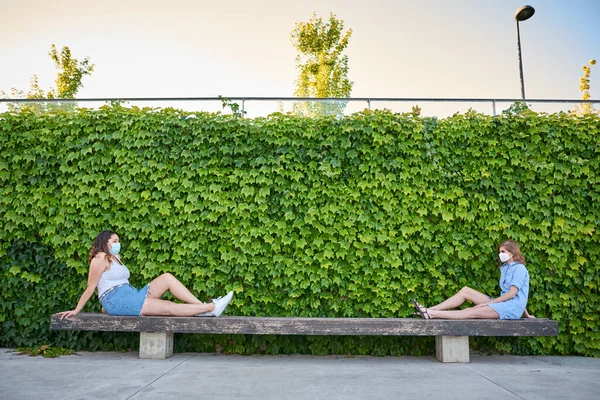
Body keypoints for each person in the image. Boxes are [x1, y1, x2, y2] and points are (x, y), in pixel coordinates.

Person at [58, 230, 233, 320]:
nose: (118, 243)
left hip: (129, 295)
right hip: (118, 299)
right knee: (167, 306)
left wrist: (106, 306)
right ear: (105, 243)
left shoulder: (115, 257)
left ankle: (201, 307)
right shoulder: (100, 258)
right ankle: (211, 308)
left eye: (119, 240)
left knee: (167, 277)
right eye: (115, 241)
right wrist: (76, 310)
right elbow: (91, 287)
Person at [413, 240, 535, 320]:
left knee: (471, 311)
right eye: (499, 252)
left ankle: (432, 314)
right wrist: (527, 314)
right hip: (503, 304)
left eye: (503, 252)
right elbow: (520, 294)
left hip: (511, 308)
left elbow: (513, 294)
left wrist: (490, 303)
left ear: (512, 252)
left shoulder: (519, 268)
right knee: (466, 291)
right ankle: (430, 309)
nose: (500, 254)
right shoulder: (505, 268)